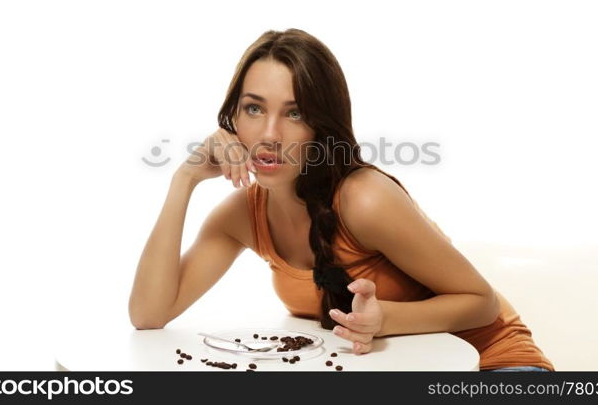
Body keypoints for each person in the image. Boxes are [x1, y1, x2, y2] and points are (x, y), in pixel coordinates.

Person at [128, 28, 554, 372]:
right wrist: (184, 180)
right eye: (254, 109)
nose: (270, 134)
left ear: (321, 126)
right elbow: (149, 314)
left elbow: (483, 304)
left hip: (493, 366)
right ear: (233, 117)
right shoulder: (243, 215)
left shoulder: (363, 199)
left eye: (294, 113)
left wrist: (385, 319)